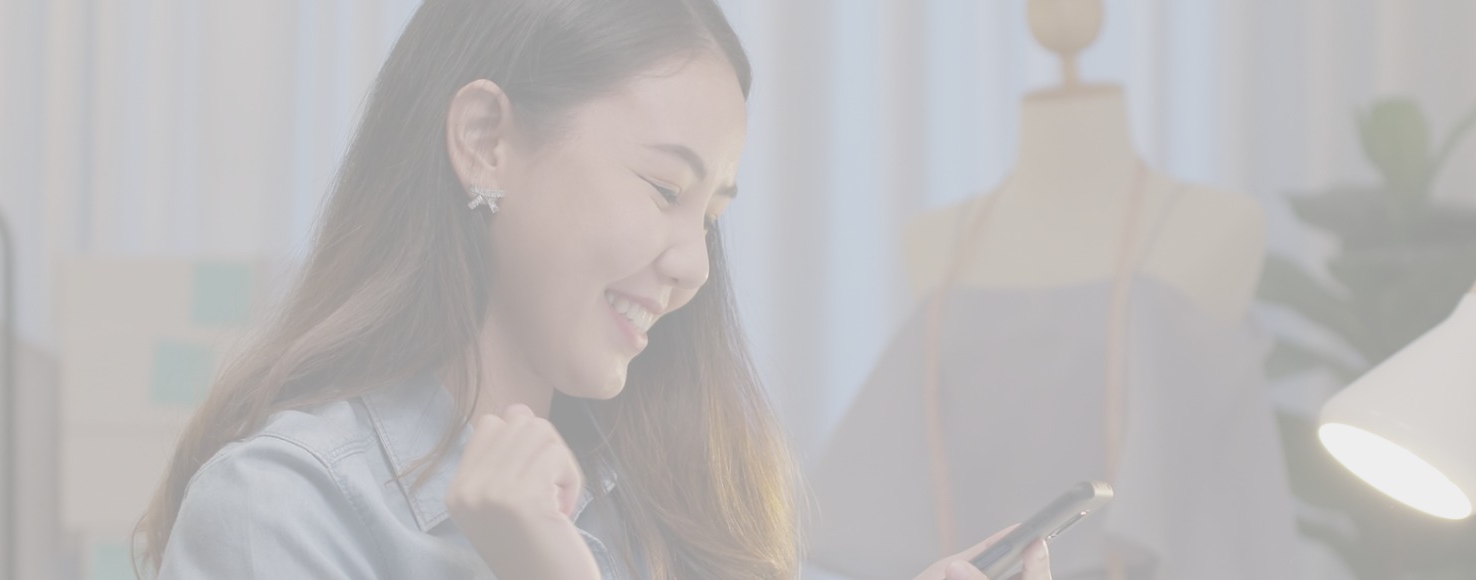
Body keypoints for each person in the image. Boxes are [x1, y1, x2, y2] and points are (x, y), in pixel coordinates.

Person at [131, 1, 1050, 578]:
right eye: (663, 189)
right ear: (487, 139)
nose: (692, 265)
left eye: (713, 214)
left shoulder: (666, 506)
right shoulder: (279, 514)